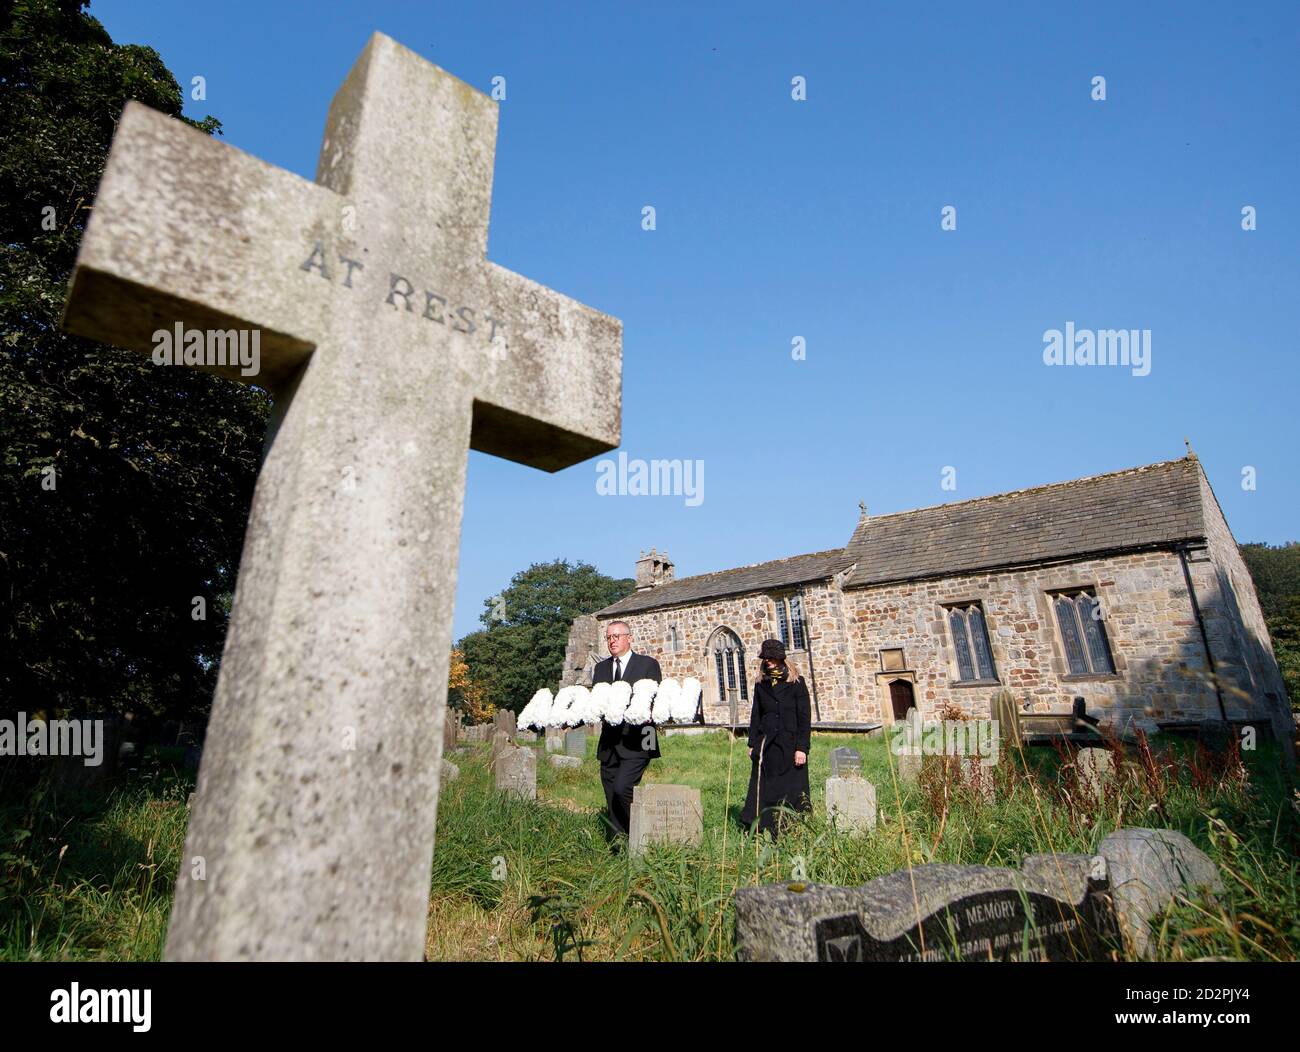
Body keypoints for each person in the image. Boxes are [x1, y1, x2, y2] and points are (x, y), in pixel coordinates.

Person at [592, 620, 662, 843]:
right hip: (609, 743)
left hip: (640, 739)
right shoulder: (600, 668)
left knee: (623, 788)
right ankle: (617, 843)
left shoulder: (647, 664)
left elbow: (655, 700)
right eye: (609, 637)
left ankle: (643, 835)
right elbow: (597, 704)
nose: (612, 641)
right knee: (611, 794)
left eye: (617, 636)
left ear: (629, 638)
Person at [739, 638, 811, 838]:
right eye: (765, 658)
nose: (767, 661)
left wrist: (802, 748)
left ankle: (791, 827)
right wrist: (752, 743)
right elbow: (756, 714)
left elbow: (804, 718)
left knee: (791, 787)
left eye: (770, 657)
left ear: (780, 658)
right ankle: (762, 827)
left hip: (790, 744)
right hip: (767, 743)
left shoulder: (797, 682)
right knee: (764, 786)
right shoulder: (761, 684)